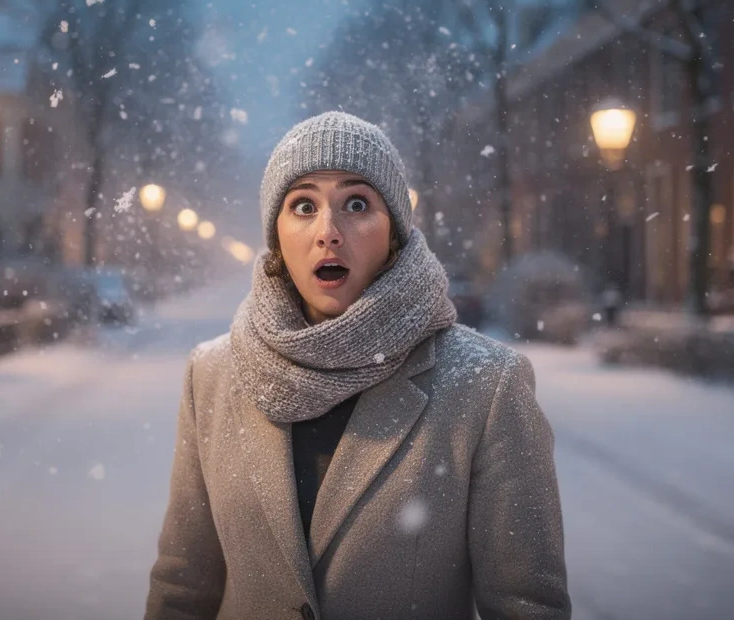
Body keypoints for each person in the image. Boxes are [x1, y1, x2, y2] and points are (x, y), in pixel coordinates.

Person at [145, 112, 569, 620]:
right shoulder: (210, 375)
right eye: (303, 205)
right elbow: (182, 587)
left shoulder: (488, 384)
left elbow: (527, 606)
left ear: (394, 233)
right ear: (276, 235)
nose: (328, 232)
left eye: (357, 204)